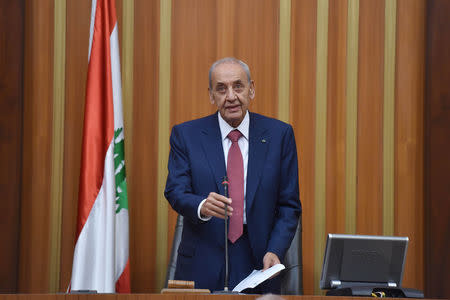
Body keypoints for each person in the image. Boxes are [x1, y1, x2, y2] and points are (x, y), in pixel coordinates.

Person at [164, 57, 301, 293]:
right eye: (221, 88)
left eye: (238, 86)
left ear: (251, 89)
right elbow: (175, 191)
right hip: (202, 258)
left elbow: (289, 205)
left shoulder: (280, 135)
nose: (230, 96)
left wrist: (275, 250)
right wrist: (202, 205)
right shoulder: (186, 135)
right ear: (211, 95)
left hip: (259, 259)